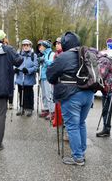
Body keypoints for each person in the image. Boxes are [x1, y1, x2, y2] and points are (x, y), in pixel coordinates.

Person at [46, 31, 94, 166]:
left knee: (72, 126)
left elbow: (50, 75)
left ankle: (78, 157)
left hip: (71, 94)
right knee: (81, 123)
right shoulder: (88, 54)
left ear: (66, 43)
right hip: (89, 93)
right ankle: (81, 152)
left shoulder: (64, 57)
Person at [15, 39, 38, 116]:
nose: (25, 47)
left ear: (30, 46)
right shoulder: (19, 55)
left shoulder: (33, 55)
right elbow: (15, 64)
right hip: (20, 78)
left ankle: (29, 108)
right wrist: (16, 69)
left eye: (27, 45)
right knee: (20, 93)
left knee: (28, 94)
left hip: (29, 78)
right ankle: (21, 107)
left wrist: (28, 70)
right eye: (24, 45)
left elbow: (36, 67)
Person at [37, 40, 55, 120]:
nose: (40, 48)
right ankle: (46, 109)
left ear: (45, 47)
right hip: (42, 77)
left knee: (49, 95)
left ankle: (52, 111)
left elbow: (51, 63)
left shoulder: (52, 54)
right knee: (44, 95)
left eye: (41, 46)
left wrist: (44, 60)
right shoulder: (44, 55)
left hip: (48, 77)